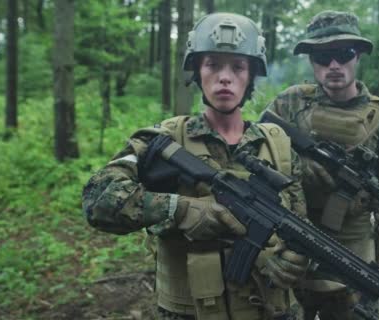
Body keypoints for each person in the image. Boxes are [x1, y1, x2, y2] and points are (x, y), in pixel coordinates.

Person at [83, 13, 308, 320]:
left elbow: (299, 224)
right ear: (197, 71)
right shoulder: (163, 141)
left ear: (251, 76)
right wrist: (181, 210)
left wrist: (292, 260)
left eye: (238, 66)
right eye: (213, 64)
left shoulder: (278, 146)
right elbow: (97, 200)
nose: (225, 77)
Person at [262, 10, 379, 320]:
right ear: (311, 61)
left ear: (357, 57)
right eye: (322, 56)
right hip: (291, 238)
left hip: (351, 246)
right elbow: (257, 157)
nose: (334, 66)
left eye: (343, 54)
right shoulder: (289, 104)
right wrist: (296, 166)